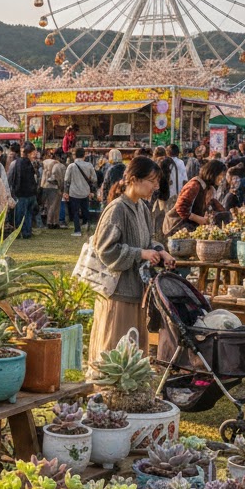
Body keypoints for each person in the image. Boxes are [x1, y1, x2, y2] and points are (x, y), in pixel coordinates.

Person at [88, 156, 175, 364]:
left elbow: (147, 241)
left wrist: (160, 252)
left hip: (137, 290)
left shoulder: (142, 207)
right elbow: (105, 250)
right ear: (134, 180)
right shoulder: (117, 209)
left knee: (133, 347)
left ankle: (131, 384)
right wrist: (140, 254)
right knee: (116, 346)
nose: (156, 187)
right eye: (152, 181)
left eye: (157, 182)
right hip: (118, 293)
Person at [167, 160, 229, 234]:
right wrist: (199, 219)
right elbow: (181, 208)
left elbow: (214, 204)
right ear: (213, 173)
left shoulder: (208, 188)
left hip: (189, 228)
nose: (223, 178)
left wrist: (228, 215)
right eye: (222, 175)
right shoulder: (194, 185)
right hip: (177, 228)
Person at [63, 148, 97, 238]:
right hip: (85, 192)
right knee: (85, 210)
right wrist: (92, 191)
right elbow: (94, 179)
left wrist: (65, 192)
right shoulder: (89, 165)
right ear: (84, 155)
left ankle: (77, 230)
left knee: (75, 212)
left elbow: (66, 180)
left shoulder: (71, 166)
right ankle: (86, 226)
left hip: (73, 192)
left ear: (75, 156)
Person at [8, 143, 39, 238]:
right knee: (28, 215)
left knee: (20, 215)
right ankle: (27, 232)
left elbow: (11, 179)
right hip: (30, 194)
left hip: (21, 194)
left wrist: (12, 192)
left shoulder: (16, 163)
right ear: (29, 153)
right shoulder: (30, 163)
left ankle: (20, 232)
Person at [39, 150, 65, 228]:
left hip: (44, 185)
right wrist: (61, 187)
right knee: (54, 205)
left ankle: (48, 222)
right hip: (54, 186)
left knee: (47, 205)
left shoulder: (44, 162)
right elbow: (61, 177)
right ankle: (52, 222)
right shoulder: (58, 164)